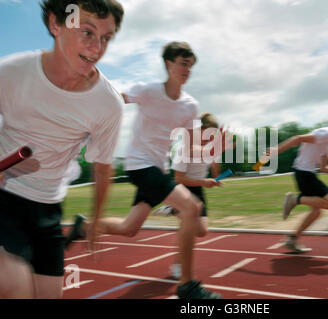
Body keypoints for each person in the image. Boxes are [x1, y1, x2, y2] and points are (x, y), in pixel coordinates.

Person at [66, 42, 222, 299]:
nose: (187, 69)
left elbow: (193, 144)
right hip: (139, 164)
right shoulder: (148, 91)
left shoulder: (190, 106)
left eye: (190, 65)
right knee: (191, 208)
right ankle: (187, 285)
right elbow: (114, 100)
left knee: (130, 227)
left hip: (158, 169)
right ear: (168, 64)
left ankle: (85, 227)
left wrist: (212, 150)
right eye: (182, 63)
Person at [0, 0, 124, 298]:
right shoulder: (12, 73)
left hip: (48, 208)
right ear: (56, 24)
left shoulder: (108, 105)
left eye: (106, 38)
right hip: (4, 199)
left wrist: (95, 221)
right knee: (15, 284)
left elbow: (103, 166)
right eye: (87, 32)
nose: (97, 48)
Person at [266, 116, 328, 253]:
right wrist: (277, 150)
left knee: (316, 211)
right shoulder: (326, 133)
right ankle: (295, 199)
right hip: (304, 173)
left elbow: (325, 168)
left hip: (307, 173)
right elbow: (298, 138)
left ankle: (292, 239)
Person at [154, 112, 226, 279]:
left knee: (201, 231)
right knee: (189, 225)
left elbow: (215, 171)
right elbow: (178, 178)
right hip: (181, 189)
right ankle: (177, 266)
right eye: (209, 134)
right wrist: (204, 181)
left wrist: (215, 172)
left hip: (198, 190)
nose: (211, 138)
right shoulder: (185, 149)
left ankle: (172, 210)